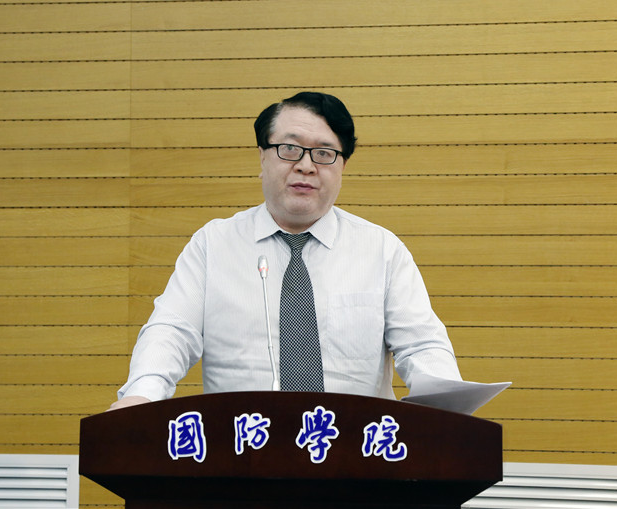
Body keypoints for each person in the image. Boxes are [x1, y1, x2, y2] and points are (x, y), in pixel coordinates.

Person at [109, 92, 461, 410]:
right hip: (244, 444)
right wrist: (143, 395)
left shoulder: (381, 250)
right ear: (262, 156)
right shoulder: (213, 244)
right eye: (290, 149)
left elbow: (421, 344)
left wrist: (447, 406)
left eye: (324, 153)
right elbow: (171, 331)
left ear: (342, 167)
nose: (306, 165)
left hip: (353, 450)